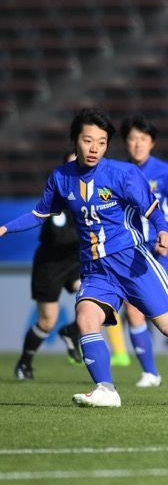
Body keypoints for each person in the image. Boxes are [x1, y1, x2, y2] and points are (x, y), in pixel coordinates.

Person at [0, 107, 168, 407]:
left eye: (102, 142)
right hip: (96, 269)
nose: (95, 148)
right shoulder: (61, 177)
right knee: (86, 318)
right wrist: (5, 228)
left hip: (132, 262)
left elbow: (152, 208)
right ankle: (106, 389)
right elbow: (39, 213)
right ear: (74, 141)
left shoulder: (123, 173)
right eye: (88, 140)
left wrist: (163, 230)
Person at [117, 114, 168, 388]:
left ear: (152, 143)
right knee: (133, 310)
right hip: (135, 249)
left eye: (143, 138)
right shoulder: (119, 173)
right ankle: (150, 373)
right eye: (132, 138)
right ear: (126, 143)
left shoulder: (166, 171)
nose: (138, 144)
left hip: (163, 249)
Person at [14, 152, 84, 380]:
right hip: (50, 265)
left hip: (75, 262)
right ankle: (24, 363)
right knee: (47, 321)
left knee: (102, 298)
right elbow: (59, 236)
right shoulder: (58, 194)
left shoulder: (93, 192)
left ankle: (71, 331)